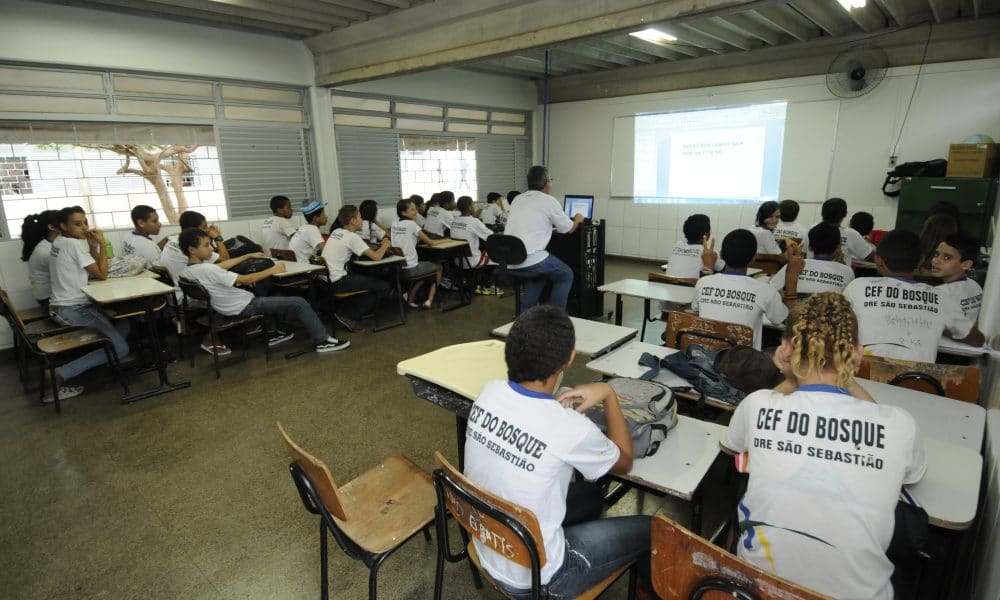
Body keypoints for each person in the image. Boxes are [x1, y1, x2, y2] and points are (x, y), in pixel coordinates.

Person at [724, 293, 926, 600]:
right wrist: (847, 379)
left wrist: (791, 378)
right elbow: (910, 475)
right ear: (857, 354)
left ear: (786, 350)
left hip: (756, 591)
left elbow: (734, 446)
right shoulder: (900, 424)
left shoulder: (757, 405)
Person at [464, 305, 651, 598]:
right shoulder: (570, 428)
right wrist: (608, 395)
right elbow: (624, 461)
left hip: (487, 540)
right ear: (570, 358)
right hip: (540, 579)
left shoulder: (488, 391)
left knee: (590, 497)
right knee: (653, 528)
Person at [178, 227, 349, 353]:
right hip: (243, 306)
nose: (211, 248)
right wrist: (273, 269)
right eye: (206, 245)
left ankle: (273, 332)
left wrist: (248, 255)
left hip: (228, 305)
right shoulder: (208, 269)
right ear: (192, 249)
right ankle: (323, 340)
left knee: (264, 289)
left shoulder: (188, 271)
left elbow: (222, 265)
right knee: (299, 302)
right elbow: (247, 279)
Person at [843, 229, 984, 363]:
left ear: (878, 260)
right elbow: (978, 340)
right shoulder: (941, 297)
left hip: (864, 373)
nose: (937, 260)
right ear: (921, 260)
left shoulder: (857, 286)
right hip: (916, 381)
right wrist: (939, 323)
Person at [46, 206, 130, 402]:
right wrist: (101, 244)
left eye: (85, 223)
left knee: (125, 321)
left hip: (64, 306)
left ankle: (108, 352)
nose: (84, 228)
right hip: (72, 309)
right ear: (63, 226)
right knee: (122, 348)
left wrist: (92, 247)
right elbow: (101, 274)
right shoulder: (72, 245)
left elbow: (92, 269)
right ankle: (59, 373)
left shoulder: (60, 241)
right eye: (77, 224)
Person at [691, 229, 795, 350]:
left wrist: (707, 269)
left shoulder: (703, 282)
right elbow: (782, 318)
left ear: (721, 254)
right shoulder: (765, 290)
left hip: (705, 358)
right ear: (753, 258)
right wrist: (792, 278)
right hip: (741, 364)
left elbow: (695, 308)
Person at [504, 166, 582, 310]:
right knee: (566, 274)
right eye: (550, 181)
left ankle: (526, 313)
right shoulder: (548, 201)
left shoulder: (517, 199)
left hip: (510, 260)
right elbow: (568, 229)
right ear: (546, 183)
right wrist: (578, 218)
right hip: (530, 259)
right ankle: (554, 317)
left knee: (540, 274)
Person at [320, 204, 392, 332]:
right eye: (359, 217)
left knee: (368, 280)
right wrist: (385, 245)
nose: (362, 220)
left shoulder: (336, 232)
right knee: (383, 286)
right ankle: (349, 315)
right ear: (353, 221)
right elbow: (376, 257)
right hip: (339, 281)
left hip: (325, 280)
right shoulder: (352, 237)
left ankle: (344, 311)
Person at [391, 198, 445, 309]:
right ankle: (430, 300)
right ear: (404, 212)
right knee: (439, 267)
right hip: (411, 269)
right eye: (412, 210)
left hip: (398, 267)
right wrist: (444, 240)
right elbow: (430, 242)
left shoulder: (395, 223)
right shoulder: (411, 224)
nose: (415, 211)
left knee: (424, 274)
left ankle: (410, 300)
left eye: (415, 208)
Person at [770, 222, 854, 294]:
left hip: (795, 311)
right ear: (838, 248)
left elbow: (772, 289)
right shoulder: (847, 271)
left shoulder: (793, 265)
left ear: (809, 247)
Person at [159, 210, 230, 288]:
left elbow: (165, 239)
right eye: (204, 227)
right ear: (194, 230)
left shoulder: (172, 239)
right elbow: (226, 259)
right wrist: (217, 237)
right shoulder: (192, 245)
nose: (207, 230)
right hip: (190, 292)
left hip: (175, 289)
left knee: (232, 243)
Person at [932, 232, 982, 323]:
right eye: (936, 254)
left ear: (966, 264)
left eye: (947, 258)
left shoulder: (939, 293)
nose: (935, 261)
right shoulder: (975, 286)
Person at [664, 213, 724, 280]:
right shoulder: (710, 253)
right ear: (706, 235)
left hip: (670, 286)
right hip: (693, 288)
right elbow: (724, 269)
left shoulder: (677, 245)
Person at [20, 210, 60, 309]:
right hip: (49, 300)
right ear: (51, 227)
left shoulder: (49, 244)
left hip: (49, 296)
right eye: (63, 222)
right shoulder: (45, 251)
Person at [820, 197, 874, 265]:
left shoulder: (811, 230)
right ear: (845, 214)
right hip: (841, 274)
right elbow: (874, 257)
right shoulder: (851, 234)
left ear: (822, 213)